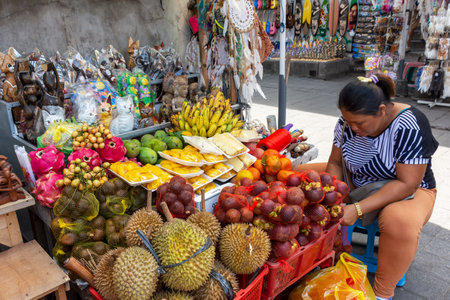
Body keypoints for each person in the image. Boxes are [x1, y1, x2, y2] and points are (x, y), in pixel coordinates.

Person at [295, 74, 438, 300]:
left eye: (359, 123)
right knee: (296, 177)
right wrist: (333, 196)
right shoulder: (346, 123)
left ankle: (382, 293)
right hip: (358, 180)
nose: (352, 128)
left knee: (399, 221)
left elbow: (407, 183)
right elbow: (334, 162)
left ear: (382, 110)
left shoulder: (409, 124)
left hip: (408, 191)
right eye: (348, 121)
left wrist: (358, 208)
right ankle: (312, 256)